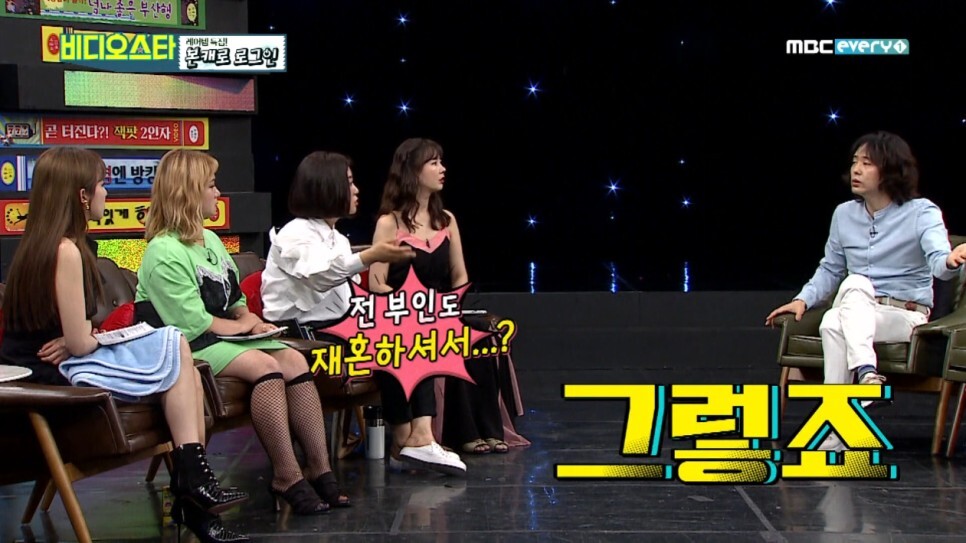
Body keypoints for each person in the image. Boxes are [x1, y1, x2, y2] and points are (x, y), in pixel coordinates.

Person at [0, 147, 248, 543]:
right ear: (82, 196)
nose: (106, 194)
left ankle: (193, 487)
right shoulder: (66, 251)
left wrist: (80, 337)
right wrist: (83, 338)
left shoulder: (42, 244)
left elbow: (73, 335)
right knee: (174, 345)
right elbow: (80, 343)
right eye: (101, 185)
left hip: (52, 362)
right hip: (51, 377)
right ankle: (193, 488)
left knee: (175, 351)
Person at [134, 149, 347, 516]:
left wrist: (252, 321)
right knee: (265, 367)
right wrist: (243, 326)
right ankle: (286, 476)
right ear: (188, 192)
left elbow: (234, 300)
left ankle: (320, 469)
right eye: (211, 186)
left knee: (294, 360)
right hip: (186, 346)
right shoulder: (163, 251)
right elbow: (193, 324)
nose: (218, 194)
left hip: (224, 336)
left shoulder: (211, 240)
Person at [765, 131, 966, 451]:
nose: (856, 169)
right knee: (847, 298)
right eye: (855, 162)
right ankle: (861, 384)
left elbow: (939, 262)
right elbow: (830, 268)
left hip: (902, 316)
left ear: (891, 170)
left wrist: (951, 261)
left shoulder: (921, 212)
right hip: (856, 310)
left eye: (867, 163)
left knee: (838, 314)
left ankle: (841, 417)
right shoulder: (844, 214)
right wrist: (802, 299)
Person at [369, 137, 529, 465]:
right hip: (397, 314)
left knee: (480, 334)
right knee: (417, 335)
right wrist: (410, 309)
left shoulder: (447, 220)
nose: (442, 169)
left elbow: (459, 276)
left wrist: (447, 307)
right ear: (412, 171)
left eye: (441, 162)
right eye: (434, 163)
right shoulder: (389, 223)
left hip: (441, 309)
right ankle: (411, 437)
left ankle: (478, 430)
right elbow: (376, 281)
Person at [260, 150, 415, 328]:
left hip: (338, 326)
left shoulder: (339, 240)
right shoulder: (293, 234)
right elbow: (321, 277)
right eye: (349, 183)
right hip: (299, 333)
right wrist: (370, 256)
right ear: (328, 189)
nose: (356, 190)